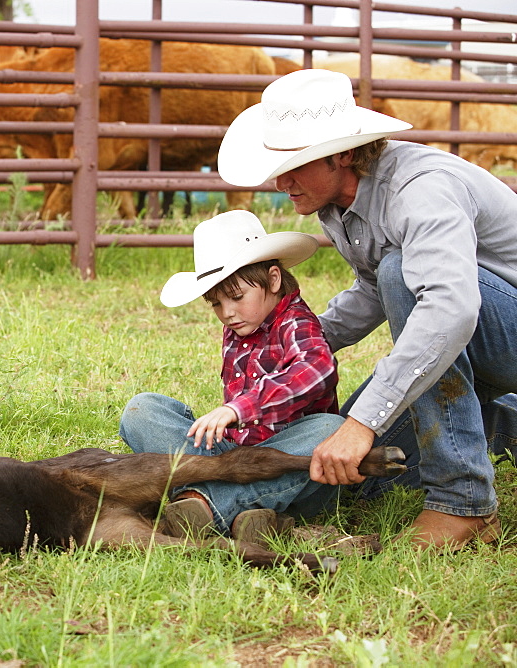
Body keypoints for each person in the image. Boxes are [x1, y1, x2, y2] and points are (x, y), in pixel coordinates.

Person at [217, 68, 517, 550]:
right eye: (279, 164)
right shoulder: (336, 201)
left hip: (499, 327)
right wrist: (291, 343)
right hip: (484, 335)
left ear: (345, 153)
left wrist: (364, 423)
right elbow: (371, 291)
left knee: (404, 276)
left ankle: (463, 503)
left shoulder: (420, 189)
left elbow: (448, 309)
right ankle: (504, 426)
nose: (281, 181)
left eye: (297, 163)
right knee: (358, 472)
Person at [119, 210, 344, 544]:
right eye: (216, 303)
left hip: (288, 467)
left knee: (331, 431)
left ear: (274, 280)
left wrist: (239, 409)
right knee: (142, 411)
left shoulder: (296, 322)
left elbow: (316, 370)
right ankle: (252, 517)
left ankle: (204, 505)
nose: (227, 312)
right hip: (232, 460)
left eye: (237, 297)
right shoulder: (239, 325)